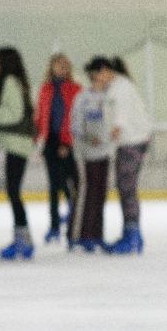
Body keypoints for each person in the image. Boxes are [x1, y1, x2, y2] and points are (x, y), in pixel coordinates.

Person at [94, 56, 153, 254]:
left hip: (132, 142)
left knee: (127, 188)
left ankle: (133, 235)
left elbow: (119, 120)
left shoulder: (121, 89)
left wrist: (104, 140)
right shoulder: (116, 87)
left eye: (97, 75)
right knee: (125, 187)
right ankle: (130, 233)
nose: (96, 80)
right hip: (129, 143)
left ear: (105, 70)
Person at [0, 47, 35, 260]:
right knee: (13, 190)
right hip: (17, 143)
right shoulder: (16, 82)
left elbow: (14, 114)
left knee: (13, 191)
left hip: (17, 143)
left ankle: (23, 240)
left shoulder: (9, 82)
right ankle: (22, 238)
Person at [35, 53, 81, 245]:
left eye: (65, 65)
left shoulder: (76, 89)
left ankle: (74, 219)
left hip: (68, 142)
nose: (62, 68)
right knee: (54, 186)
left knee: (71, 183)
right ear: (52, 67)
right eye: (58, 65)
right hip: (50, 141)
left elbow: (74, 117)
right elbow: (40, 114)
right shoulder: (45, 89)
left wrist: (67, 143)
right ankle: (54, 226)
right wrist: (37, 137)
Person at [69, 63, 114, 252]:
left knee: (100, 193)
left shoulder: (110, 97)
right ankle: (78, 235)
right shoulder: (83, 98)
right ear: (95, 74)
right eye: (104, 72)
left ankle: (97, 234)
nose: (108, 76)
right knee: (86, 192)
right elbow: (75, 124)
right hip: (85, 153)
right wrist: (88, 138)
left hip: (104, 152)